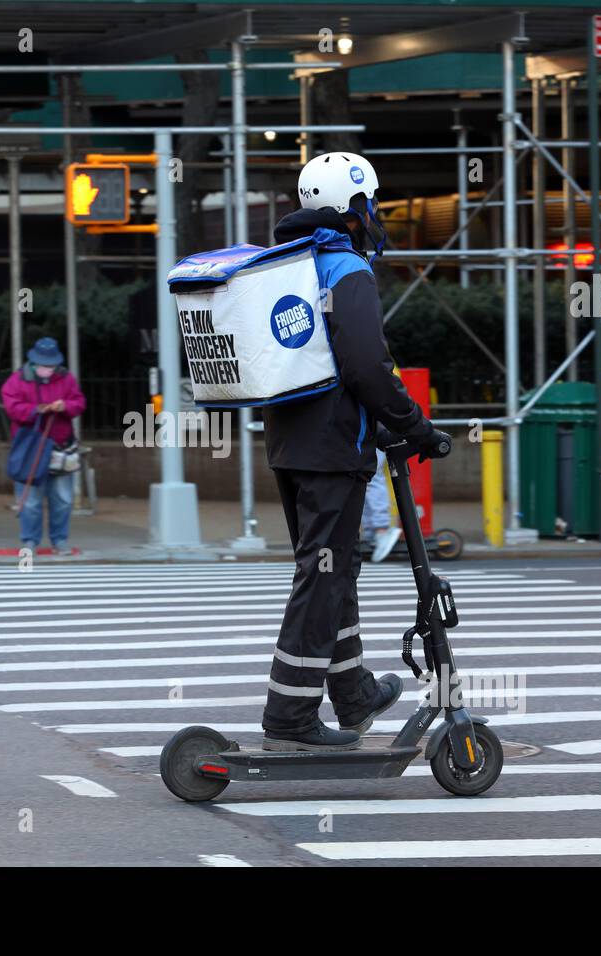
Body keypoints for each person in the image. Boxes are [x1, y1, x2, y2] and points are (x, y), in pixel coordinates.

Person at [260, 151, 452, 752]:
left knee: (332, 569)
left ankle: (352, 693)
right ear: (353, 208)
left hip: (290, 444)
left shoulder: (288, 264)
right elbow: (368, 365)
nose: (376, 215)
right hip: (334, 448)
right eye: (372, 203)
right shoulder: (345, 269)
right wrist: (416, 427)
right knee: (321, 577)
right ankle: (288, 717)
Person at [0, 337, 85, 555]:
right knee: (30, 501)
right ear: (34, 361)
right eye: (44, 365)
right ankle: (30, 539)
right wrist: (37, 410)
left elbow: (79, 403)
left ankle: (60, 540)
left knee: (64, 499)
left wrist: (64, 406)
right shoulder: (17, 380)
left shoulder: (66, 379)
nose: (47, 369)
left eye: (50, 365)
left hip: (61, 446)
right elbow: (12, 407)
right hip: (31, 448)